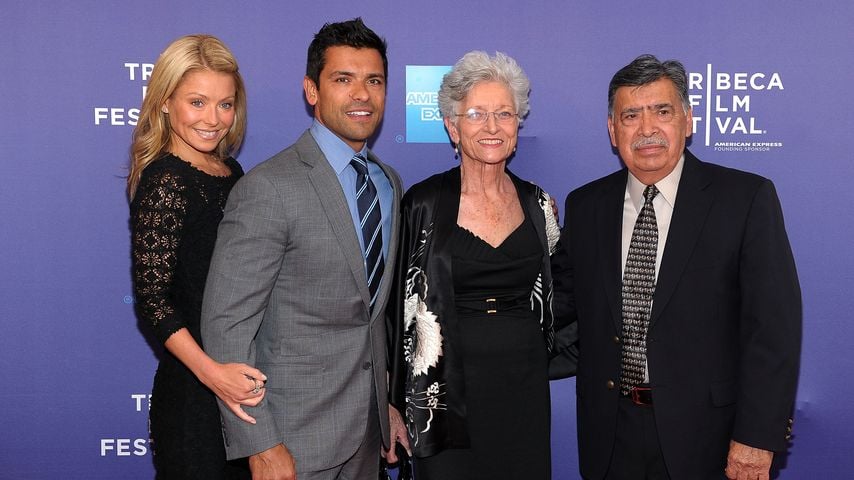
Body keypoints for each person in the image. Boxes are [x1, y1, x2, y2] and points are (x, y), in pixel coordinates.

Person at [551, 54, 801, 479]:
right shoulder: (586, 205)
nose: (647, 128)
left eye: (662, 111)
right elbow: (558, 306)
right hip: (610, 434)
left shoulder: (745, 199)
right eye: (631, 115)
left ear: (688, 120)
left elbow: (773, 330)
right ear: (613, 131)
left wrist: (758, 438)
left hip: (710, 437)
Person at [200, 18, 408, 480]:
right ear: (311, 91)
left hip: (367, 438)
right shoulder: (270, 187)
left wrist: (385, 406)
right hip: (293, 442)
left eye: (374, 80)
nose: (361, 94)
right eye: (343, 79)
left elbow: (372, 318)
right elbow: (226, 327)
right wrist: (261, 443)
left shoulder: (388, 183)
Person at [387, 51, 566, 480]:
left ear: (518, 126)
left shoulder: (538, 204)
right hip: (445, 397)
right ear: (452, 126)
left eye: (504, 114)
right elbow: (395, 313)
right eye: (476, 114)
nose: (492, 126)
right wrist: (391, 403)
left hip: (523, 391)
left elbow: (562, 290)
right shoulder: (422, 204)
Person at [128, 34, 266, 479]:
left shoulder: (232, 171)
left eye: (225, 105)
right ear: (166, 102)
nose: (213, 119)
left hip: (240, 386)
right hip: (194, 395)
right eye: (198, 103)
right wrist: (213, 375)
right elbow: (153, 300)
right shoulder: (165, 180)